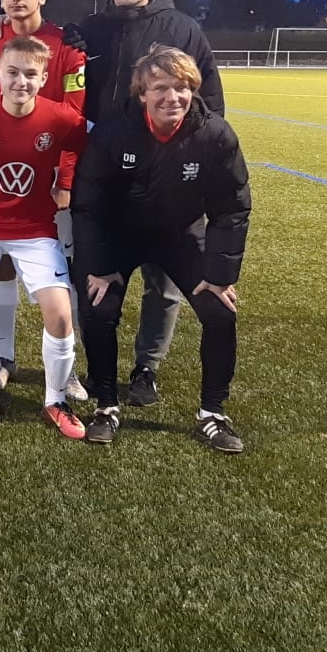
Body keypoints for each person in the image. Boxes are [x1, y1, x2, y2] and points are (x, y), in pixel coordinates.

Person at [72, 46, 250, 453]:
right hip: (121, 234)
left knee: (220, 311)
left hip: (180, 234)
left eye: (183, 88)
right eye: (161, 88)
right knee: (98, 306)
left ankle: (212, 413)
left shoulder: (215, 134)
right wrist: (100, 265)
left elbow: (232, 207)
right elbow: (90, 203)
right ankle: (105, 405)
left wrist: (219, 275)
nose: (173, 97)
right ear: (142, 94)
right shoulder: (114, 131)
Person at [73, 0, 225, 408]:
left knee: (163, 282)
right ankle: (96, 367)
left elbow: (210, 102)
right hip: (108, 176)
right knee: (96, 277)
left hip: (168, 178)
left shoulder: (183, 29)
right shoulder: (90, 30)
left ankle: (147, 367)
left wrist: (194, 165)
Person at [0, 36, 89, 439]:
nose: (20, 81)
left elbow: (92, 144)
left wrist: (67, 183)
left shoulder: (59, 117)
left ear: (43, 78)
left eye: (29, 74)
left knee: (61, 314)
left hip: (36, 229)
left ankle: (55, 399)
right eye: (12, 72)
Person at [0, 0, 89, 399]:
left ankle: (67, 370)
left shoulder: (67, 46)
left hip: (50, 180)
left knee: (60, 274)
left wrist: (66, 182)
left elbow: (75, 123)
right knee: (1, 264)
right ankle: (6, 356)